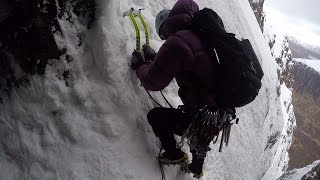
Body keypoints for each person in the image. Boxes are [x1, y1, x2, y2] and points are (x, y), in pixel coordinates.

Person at [130, 0, 217, 177]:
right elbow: (186, 63)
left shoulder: (178, 41)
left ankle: (173, 154)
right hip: (218, 111)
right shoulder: (198, 32)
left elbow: (154, 82)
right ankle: (197, 168)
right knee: (201, 132)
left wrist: (141, 67)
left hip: (200, 111)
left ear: (164, 30)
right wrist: (157, 61)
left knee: (156, 117)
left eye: (163, 36)